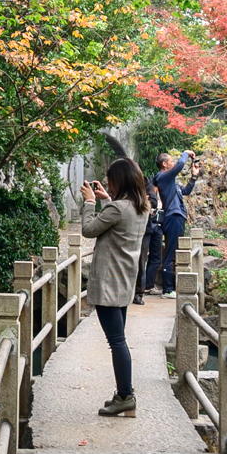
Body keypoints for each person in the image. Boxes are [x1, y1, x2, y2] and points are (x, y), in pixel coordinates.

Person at [80, 157, 151, 419]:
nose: (108, 183)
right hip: (124, 284)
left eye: (111, 179)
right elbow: (117, 224)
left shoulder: (118, 209)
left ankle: (125, 396)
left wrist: (90, 202)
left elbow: (89, 229)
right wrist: (105, 200)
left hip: (109, 284)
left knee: (117, 342)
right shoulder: (141, 208)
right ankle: (124, 394)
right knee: (119, 340)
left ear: (118, 180)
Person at [140, 149, 196, 299]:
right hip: (173, 217)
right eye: (171, 161)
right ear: (164, 165)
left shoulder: (170, 181)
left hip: (176, 216)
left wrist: (194, 176)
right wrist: (185, 153)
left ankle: (168, 288)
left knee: (173, 252)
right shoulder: (163, 176)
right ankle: (168, 289)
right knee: (171, 253)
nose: (174, 163)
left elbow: (186, 191)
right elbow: (180, 165)